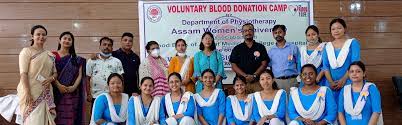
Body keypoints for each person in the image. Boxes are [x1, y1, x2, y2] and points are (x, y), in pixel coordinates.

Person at [17, 25, 57, 125]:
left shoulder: (50, 55)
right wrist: (27, 93)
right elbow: (23, 73)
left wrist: (51, 78)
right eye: (38, 34)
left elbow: (55, 73)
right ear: (32, 36)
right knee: (33, 120)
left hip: (46, 92)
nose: (41, 36)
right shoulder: (26, 51)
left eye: (43, 35)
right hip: (31, 92)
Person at [52, 31, 86, 125]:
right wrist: (58, 85)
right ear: (60, 41)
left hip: (70, 93)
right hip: (54, 92)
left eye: (69, 39)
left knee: (69, 117)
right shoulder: (51, 55)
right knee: (54, 117)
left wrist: (73, 87)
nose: (67, 41)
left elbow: (80, 75)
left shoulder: (76, 59)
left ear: (72, 42)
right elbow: (49, 73)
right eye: (65, 38)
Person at [322, 18, 360, 102]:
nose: (336, 31)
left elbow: (355, 64)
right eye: (333, 29)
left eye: (339, 28)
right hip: (331, 84)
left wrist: (343, 80)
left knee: (348, 108)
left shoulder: (352, 43)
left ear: (345, 29)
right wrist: (331, 82)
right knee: (332, 109)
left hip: (348, 81)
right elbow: (325, 67)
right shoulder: (327, 46)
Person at [230, 23, 269, 93]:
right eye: (245, 31)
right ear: (242, 33)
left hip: (258, 82)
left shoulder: (260, 47)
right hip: (242, 84)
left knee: (258, 103)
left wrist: (254, 76)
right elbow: (233, 65)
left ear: (254, 32)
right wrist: (245, 76)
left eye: (250, 30)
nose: (248, 32)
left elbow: (264, 64)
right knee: (242, 103)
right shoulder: (237, 48)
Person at [86, 37, 124, 102]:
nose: (107, 47)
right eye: (104, 44)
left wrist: (120, 94)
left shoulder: (117, 61)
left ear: (112, 48)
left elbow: (121, 80)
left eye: (109, 45)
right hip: (95, 96)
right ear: (100, 46)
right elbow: (87, 78)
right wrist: (88, 94)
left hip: (113, 96)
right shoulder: (92, 61)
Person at [268, 24, 299, 93]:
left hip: (291, 81)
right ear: (273, 35)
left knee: (293, 102)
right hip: (277, 82)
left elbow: (298, 63)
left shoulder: (293, 48)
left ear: (284, 33)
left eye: (280, 32)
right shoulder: (271, 51)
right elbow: (270, 67)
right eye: (275, 33)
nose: (278, 34)